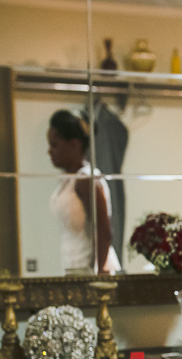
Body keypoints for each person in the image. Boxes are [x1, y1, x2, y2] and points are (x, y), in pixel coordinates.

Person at [47, 109, 121, 274]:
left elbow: (104, 231)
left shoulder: (86, 180)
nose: (49, 151)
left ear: (74, 144)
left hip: (90, 268)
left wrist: (99, 272)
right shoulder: (68, 181)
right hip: (73, 266)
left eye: (55, 144)